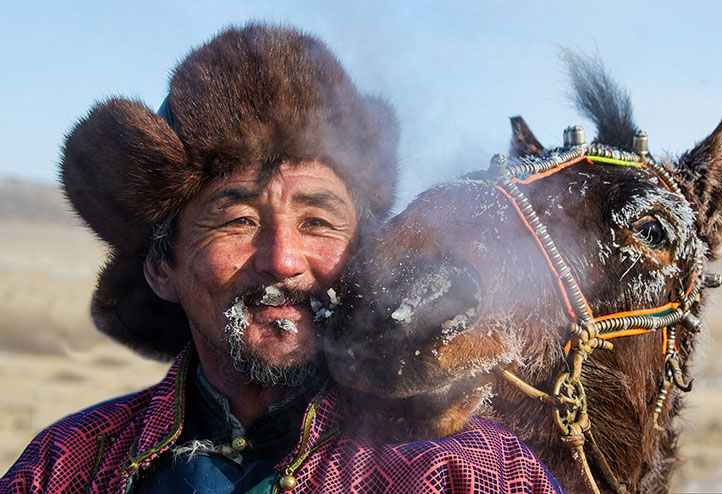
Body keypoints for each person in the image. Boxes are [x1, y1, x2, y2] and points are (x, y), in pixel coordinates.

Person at [1, 24, 564, 494]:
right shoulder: (68, 466)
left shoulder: (465, 469)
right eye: (238, 221)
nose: (282, 259)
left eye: (317, 222)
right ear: (161, 267)